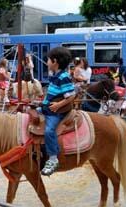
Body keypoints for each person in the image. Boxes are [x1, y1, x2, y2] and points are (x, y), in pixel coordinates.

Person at [38, 47, 76, 176]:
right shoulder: (55, 75)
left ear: (54, 61)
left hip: (56, 112)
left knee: (49, 131)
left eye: (48, 60)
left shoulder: (64, 77)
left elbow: (71, 95)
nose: (46, 62)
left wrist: (58, 105)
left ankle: (53, 158)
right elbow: (52, 93)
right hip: (48, 107)